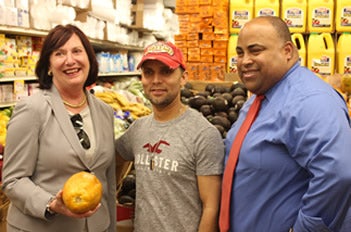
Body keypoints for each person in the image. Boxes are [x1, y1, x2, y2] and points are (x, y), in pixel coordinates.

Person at [220, 16, 351, 232]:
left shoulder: (309, 99)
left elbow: (338, 172)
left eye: (255, 50)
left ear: (287, 51)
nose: (244, 61)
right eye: (240, 52)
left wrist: (305, 228)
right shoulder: (260, 98)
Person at [1, 24, 116, 232]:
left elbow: (106, 181)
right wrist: (51, 203)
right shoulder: (32, 109)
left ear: (89, 59)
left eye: (77, 51)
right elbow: (12, 180)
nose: (70, 60)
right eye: (59, 53)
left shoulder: (104, 112)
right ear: (48, 65)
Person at [115, 41, 225, 232]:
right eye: (149, 72)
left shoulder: (204, 134)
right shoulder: (138, 129)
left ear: (183, 78)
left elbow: (211, 208)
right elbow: (110, 158)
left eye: (166, 71)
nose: (156, 80)